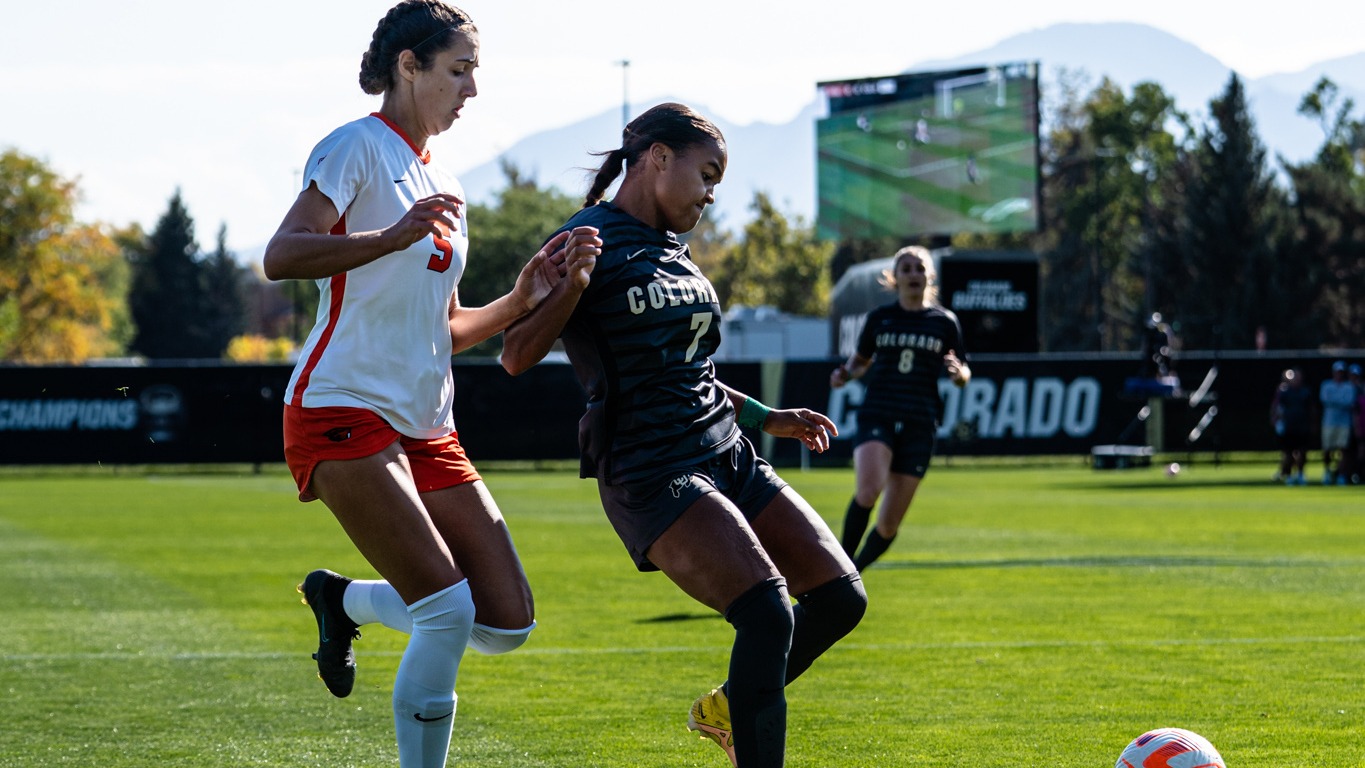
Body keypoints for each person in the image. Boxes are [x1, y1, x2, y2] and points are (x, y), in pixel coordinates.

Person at [262, 3, 596, 765]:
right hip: (340, 404)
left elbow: (443, 328)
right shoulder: (355, 147)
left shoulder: (443, 180)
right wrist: (388, 236)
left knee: (505, 621)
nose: (472, 90)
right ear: (407, 66)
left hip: (425, 424)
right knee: (446, 612)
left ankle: (342, 600)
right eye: (459, 69)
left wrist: (520, 300)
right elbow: (281, 255)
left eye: (473, 71)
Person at [500, 102, 867, 768]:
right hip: (651, 466)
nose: (708, 195)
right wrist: (572, 285)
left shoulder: (675, 250)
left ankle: (730, 705)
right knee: (766, 613)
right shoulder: (584, 238)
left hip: (727, 449)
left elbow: (691, 373)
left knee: (840, 598)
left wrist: (767, 418)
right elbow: (515, 355)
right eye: (706, 174)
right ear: (657, 158)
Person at [830, 246, 970, 571]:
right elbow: (860, 361)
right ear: (894, 278)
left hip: (920, 421)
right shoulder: (880, 318)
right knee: (868, 490)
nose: (913, 274)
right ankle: (833, 573)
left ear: (929, 276)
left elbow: (963, 371)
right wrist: (845, 373)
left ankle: (851, 576)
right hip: (879, 411)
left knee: (888, 525)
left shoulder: (945, 322)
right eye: (905, 269)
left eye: (919, 268)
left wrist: (958, 374)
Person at [1271, 367, 1313, 485]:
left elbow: (1311, 409)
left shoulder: (1305, 392)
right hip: (1289, 427)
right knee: (1288, 453)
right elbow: (1276, 408)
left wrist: (1312, 424)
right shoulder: (1283, 392)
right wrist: (1275, 420)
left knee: (1302, 452)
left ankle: (1300, 474)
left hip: (1302, 426)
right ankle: (1288, 475)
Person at [1320, 360, 1357, 485]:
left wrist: (1335, 402)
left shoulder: (1349, 387)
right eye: (1337, 372)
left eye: (1341, 372)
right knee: (1327, 450)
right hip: (1329, 423)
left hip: (1344, 423)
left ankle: (1341, 474)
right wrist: (1340, 402)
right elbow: (1325, 400)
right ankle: (1327, 472)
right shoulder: (1326, 385)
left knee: (1344, 450)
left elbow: (1349, 402)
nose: (1339, 375)